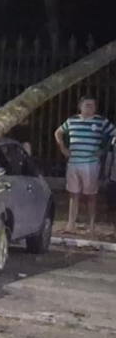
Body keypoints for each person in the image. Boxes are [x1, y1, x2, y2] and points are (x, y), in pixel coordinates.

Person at [54, 95, 114, 234]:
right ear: (80, 106)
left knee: (91, 195)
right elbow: (58, 132)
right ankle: (71, 224)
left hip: (90, 163)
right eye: (87, 105)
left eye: (92, 105)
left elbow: (113, 133)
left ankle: (91, 225)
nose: (90, 108)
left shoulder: (100, 121)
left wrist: (104, 150)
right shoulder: (72, 120)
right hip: (73, 162)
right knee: (73, 194)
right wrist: (63, 147)